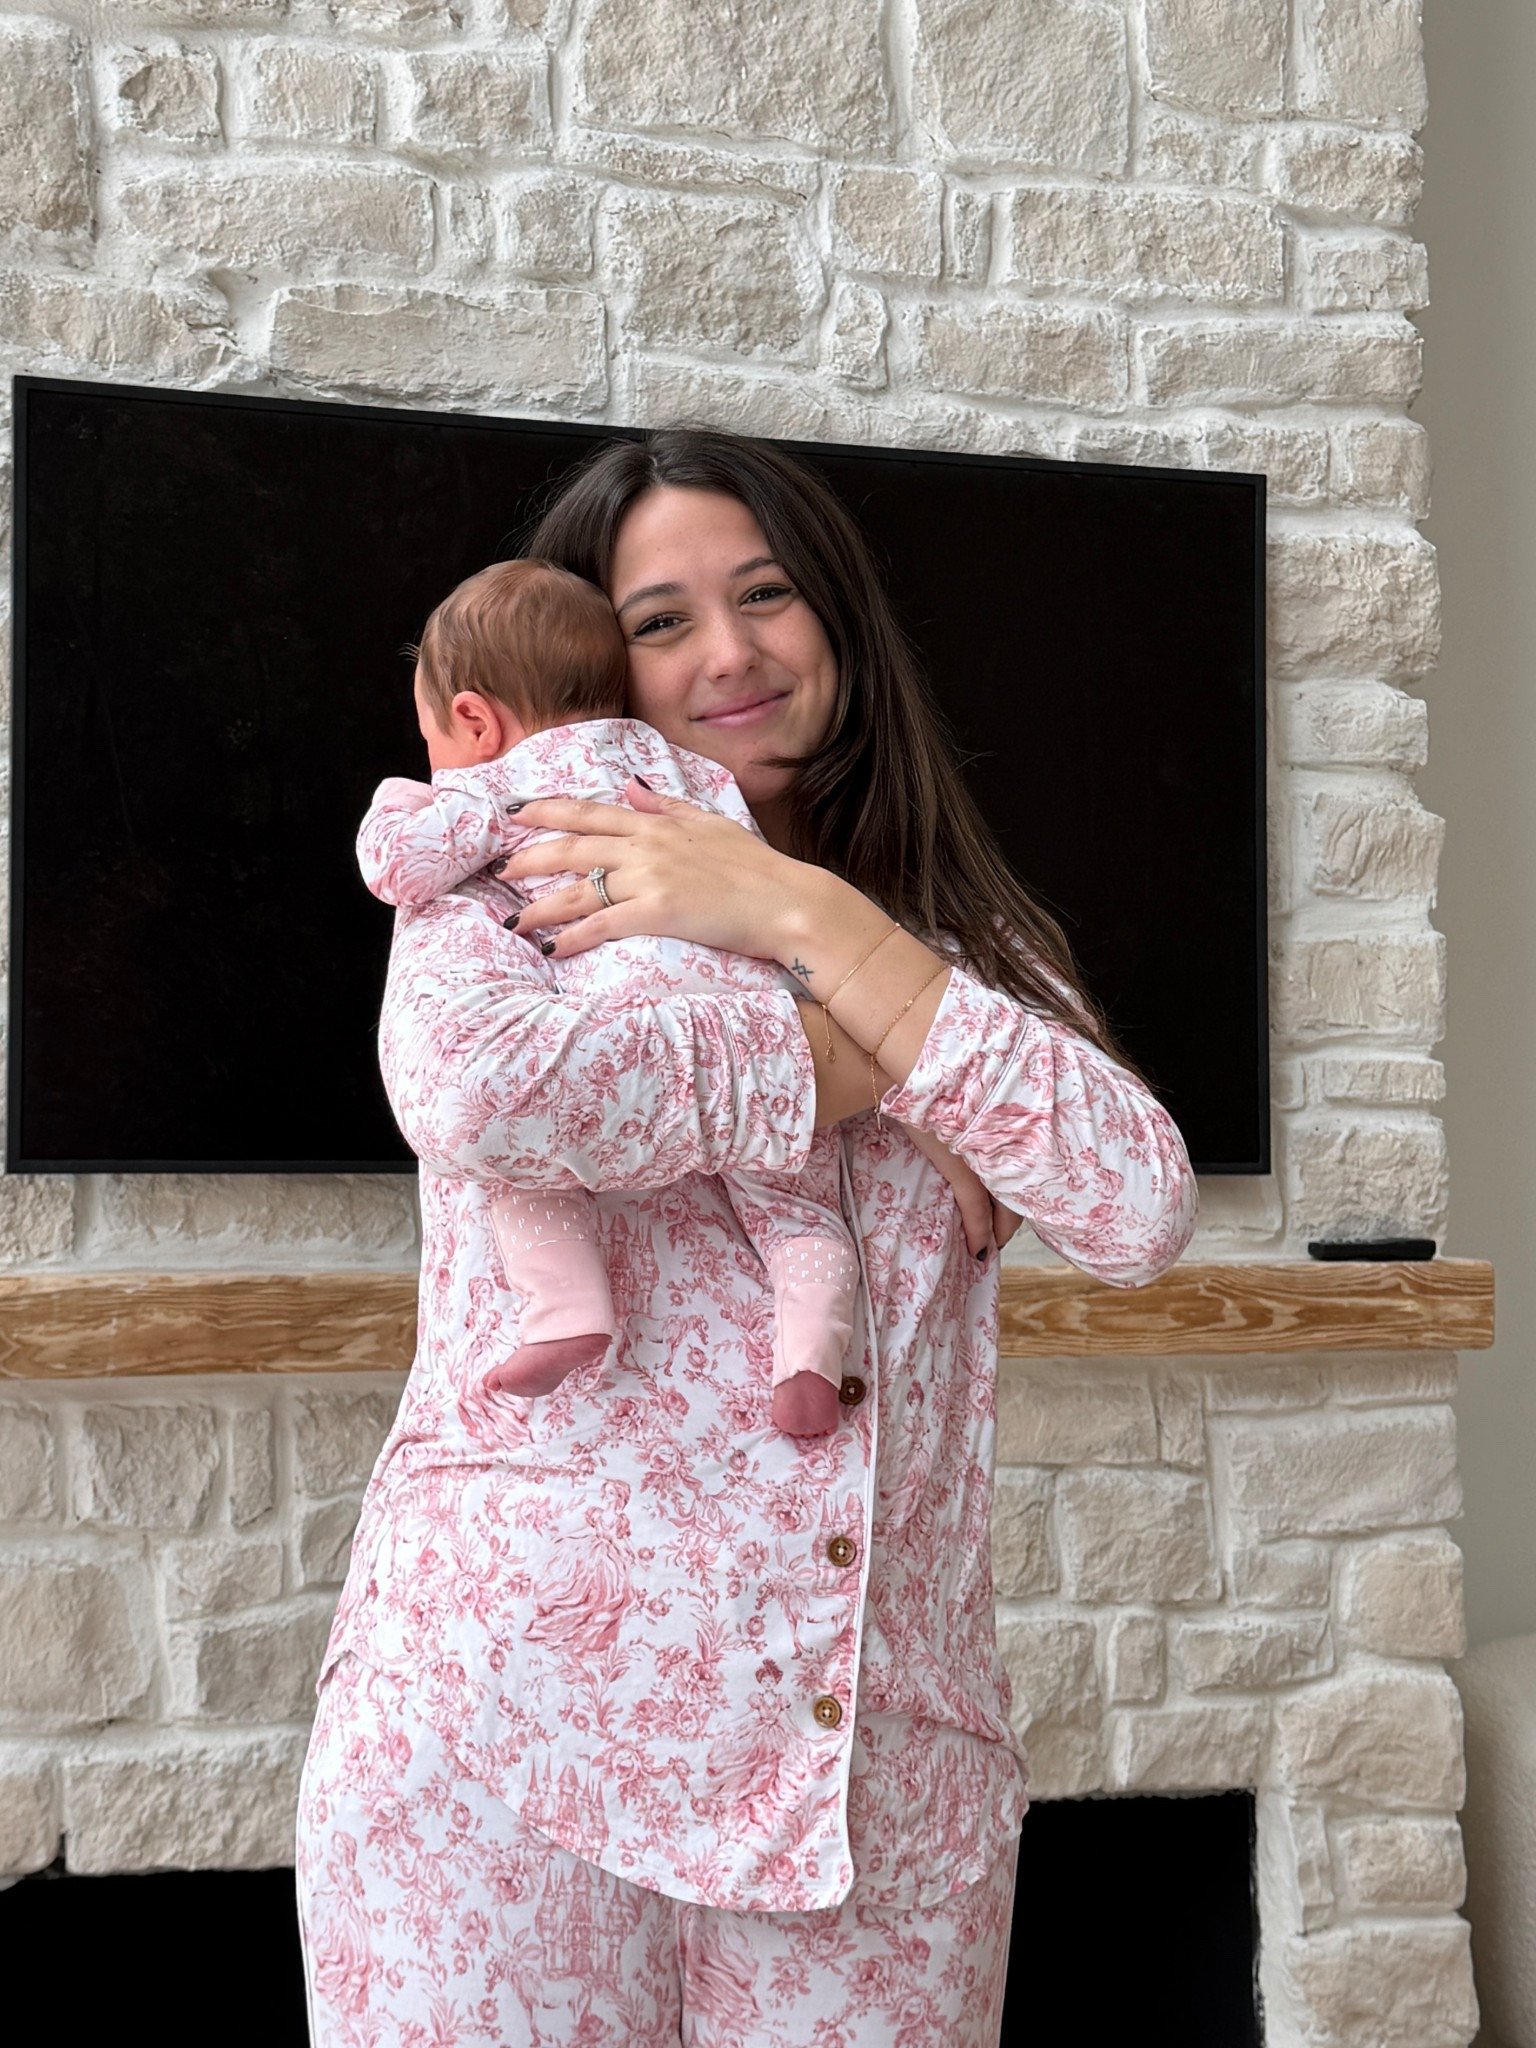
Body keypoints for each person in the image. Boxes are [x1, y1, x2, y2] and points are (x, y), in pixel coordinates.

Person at [296, 427, 1198, 2048]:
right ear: (588, 663)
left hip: (868, 1768)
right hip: (509, 1735)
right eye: (660, 618)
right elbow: (484, 1094)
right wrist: (855, 1059)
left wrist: (804, 916)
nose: (728, 650)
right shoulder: (519, 885)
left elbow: (1135, 1206)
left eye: (767, 593)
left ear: (837, 617)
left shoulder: (970, 954)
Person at [357, 555, 994, 1431]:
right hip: (753, 998)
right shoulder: (684, 770)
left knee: (521, 1172)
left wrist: (415, 809)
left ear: (473, 718)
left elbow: (397, 868)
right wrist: (885, 1046)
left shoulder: (495, 787)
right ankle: (809, 1358)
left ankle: (567, 1308)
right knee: (795, 1210)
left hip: (606, 1006)